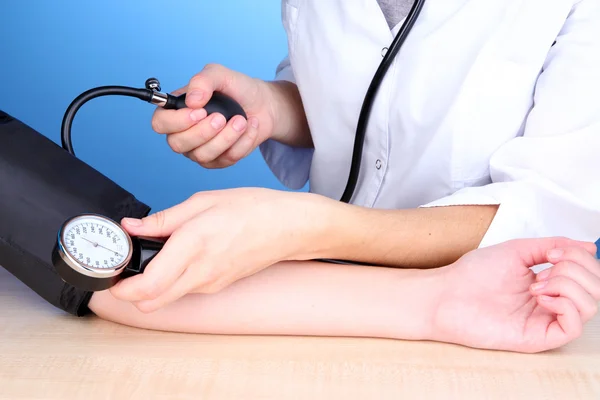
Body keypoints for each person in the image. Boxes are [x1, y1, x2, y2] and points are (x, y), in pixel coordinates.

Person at [45, 0, 600, 353]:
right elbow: (360, 106)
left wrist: (306, 226)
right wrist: (269, 110)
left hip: (497, 303)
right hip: (322, 294)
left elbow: (549, 205)